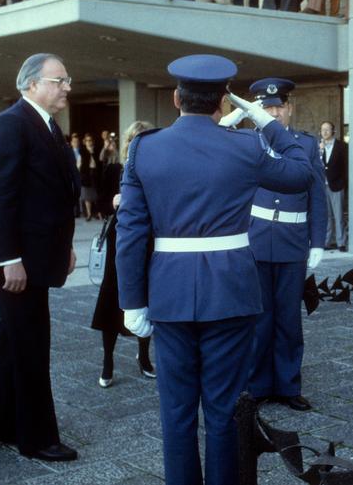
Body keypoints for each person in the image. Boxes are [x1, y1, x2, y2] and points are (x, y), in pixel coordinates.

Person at [116, 54, 313, 485]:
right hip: (230, 290)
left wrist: (131, 301)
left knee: (177, 413)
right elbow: (302, 173)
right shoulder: (245, 146)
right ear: (224, 102)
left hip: (168, 293)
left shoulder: (145, 148)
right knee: (223, 411)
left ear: (175, 98)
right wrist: (267, 122)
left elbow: (130, 232)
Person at [0, 53, 80, 462]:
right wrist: (9, 260)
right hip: (16, 262)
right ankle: (36, 439)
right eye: (59, 79)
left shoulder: (46, 125)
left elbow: (54, 197)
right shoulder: (11, 124)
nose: (67, 86)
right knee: (31, 346)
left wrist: (64, 246)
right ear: (31, 84)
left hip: (36, 256)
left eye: (67, 79)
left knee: (12, 341)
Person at [242, 78, 325, 412]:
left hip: (292, 242)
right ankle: (259, 384)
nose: (274, 112)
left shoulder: (304, 145)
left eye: (279, 106)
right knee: (259, 317)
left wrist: (317, 241)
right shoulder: (247, 142)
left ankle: (288, 385)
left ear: (289, 108)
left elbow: (317, 195)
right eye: (267, 107)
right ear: (258, 111)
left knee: (289, 318)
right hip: (256, 240)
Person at [91, 121, 155, 389]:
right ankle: (108, 361)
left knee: (146, 296)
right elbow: (99, 202)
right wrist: (113, 202)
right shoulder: (116, 169)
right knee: (111, 298)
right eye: (135, 139)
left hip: (150, 240)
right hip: (120, 241)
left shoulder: (157, 170)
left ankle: (144, 355)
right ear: (129, 143)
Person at [319, 120, 346, 251]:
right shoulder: (319, 147)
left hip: (336, 185)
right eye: (322, 129)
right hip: (323, 186)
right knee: (326, 216)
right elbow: (317, 165)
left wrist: (343, 183)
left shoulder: (342, 146)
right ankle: (327, 242)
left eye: (327, 129)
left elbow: (345, 167)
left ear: (333, 131)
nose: (324, 132)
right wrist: (320, 151)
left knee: (339, 215)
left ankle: (341, 243)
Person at [79, 133, 100, 220]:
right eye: (87, 141)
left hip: (95, 173)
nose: (89, 142)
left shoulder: (96, 151)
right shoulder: (82, 151)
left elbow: (99, 162)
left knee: (96, 194)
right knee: (87, 195)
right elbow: (82, 164)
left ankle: (97, 213)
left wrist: (92, 152)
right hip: (86, 174)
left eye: (90, 140)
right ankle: (89, 213)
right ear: (84, 142)